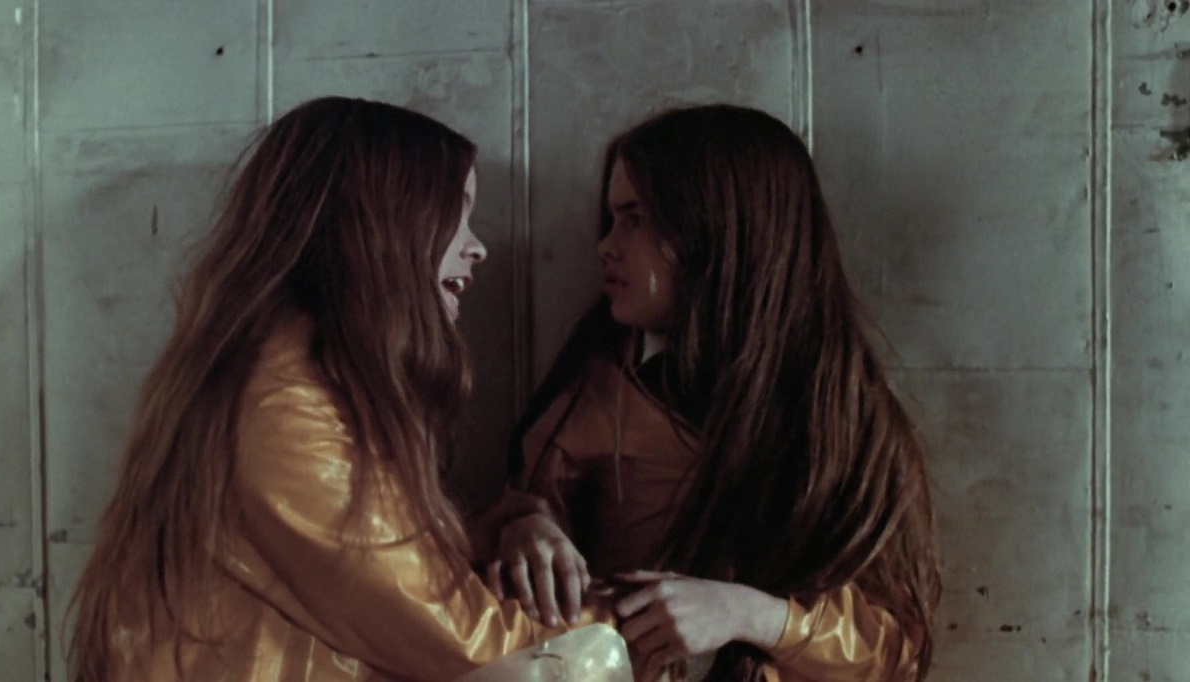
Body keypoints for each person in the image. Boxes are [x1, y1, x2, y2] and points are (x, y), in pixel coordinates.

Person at [66, 96, 609, 681]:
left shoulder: (297, 377)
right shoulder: (287, 406)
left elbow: (387, 572)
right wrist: (652, 624)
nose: (476, 246)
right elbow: (464, 640)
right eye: (458, 212)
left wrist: (511, 527)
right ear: (382, 225)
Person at [480, 105, 942, 681]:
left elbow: (896, 650)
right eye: (612, 218)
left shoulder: (842, 415)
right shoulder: (599, 387)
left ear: (718, 233)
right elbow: (524, 523)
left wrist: (750, 615)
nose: (605, 245)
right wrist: (524, 528)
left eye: (636, 219)